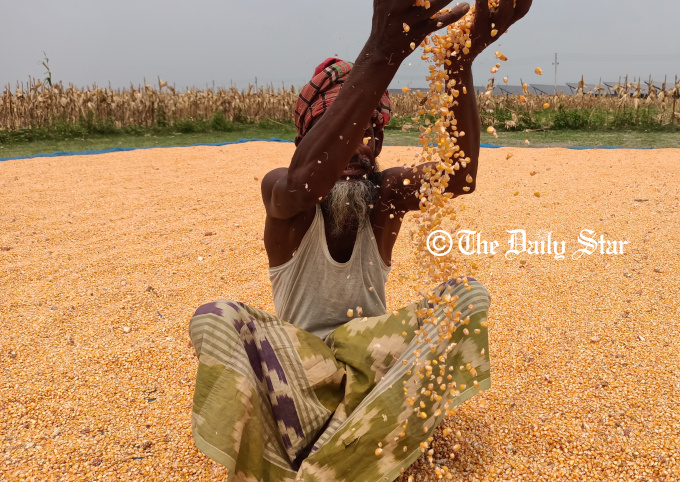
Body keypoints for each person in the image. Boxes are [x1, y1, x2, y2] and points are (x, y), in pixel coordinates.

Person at [188, 0, 530, 480]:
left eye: (371, 133)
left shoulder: (384, 197)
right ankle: (360, 445)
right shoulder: (284, 195)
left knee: (466, 298)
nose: (359, 145)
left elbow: (460, 177)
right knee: (215, 319)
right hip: (300, 381)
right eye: (344, 134)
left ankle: (319, 457)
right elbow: (307, 179)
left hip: (373, 373)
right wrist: (382, 51)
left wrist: (458, 64)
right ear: (310, 139)